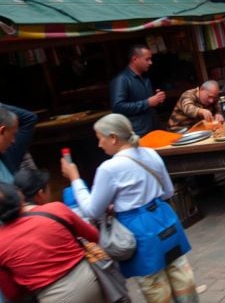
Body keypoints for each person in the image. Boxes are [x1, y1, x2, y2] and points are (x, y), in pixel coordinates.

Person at [61, 113, 199, 302]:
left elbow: (92, 210)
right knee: (180, 274)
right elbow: (167, 192)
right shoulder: (150, 153)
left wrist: (75, 178)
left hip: (139, 229)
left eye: (100, 138)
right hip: (164, 218)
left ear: (113, 138)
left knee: (155, 286)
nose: (99, 144)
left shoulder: (109, 168)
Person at [0, 182, 104, 302]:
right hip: (91, 281)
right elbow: (94, 236)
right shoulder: (55, 209)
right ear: (20, 195)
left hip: (52, 296)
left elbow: (12, 293)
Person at [110, 44, 166, 136]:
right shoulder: (121, 79)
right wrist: (147, 102)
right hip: (137, 134)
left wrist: (158, 99)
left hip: (153, 130)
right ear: (135, 59)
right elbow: (117, 107)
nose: (150, 62)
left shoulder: (145, 78)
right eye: (147, 59)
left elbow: (149, 104)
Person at [0, 104, 38, 184]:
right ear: (2, 131)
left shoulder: (10, 152)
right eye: (13, 134)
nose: (13, 140)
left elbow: (29, 118)